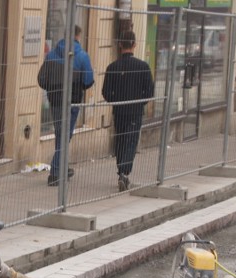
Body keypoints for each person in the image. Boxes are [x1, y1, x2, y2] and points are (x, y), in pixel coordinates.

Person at [38, 25, 94, 187]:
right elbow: (88, 81)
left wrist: (53, 87)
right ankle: (55, 173)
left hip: (55, 102)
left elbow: (41, 79)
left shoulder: (51, 56)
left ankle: (62, 167)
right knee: (65, 136)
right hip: (72, 103)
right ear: (77, 36)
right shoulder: (82, 57)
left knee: (61, 134)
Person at [102, 30, 154, 193]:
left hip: (119, 111)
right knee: (131, 141)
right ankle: (124, 172)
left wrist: (115, 101)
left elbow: (106, 91)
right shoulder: (143, 66)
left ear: (119, 45)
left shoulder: (112, 67)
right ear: (134, 45)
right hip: (135, 111)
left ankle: (121, 171)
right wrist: (140, 102)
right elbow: (149, 92)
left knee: (121, 140)